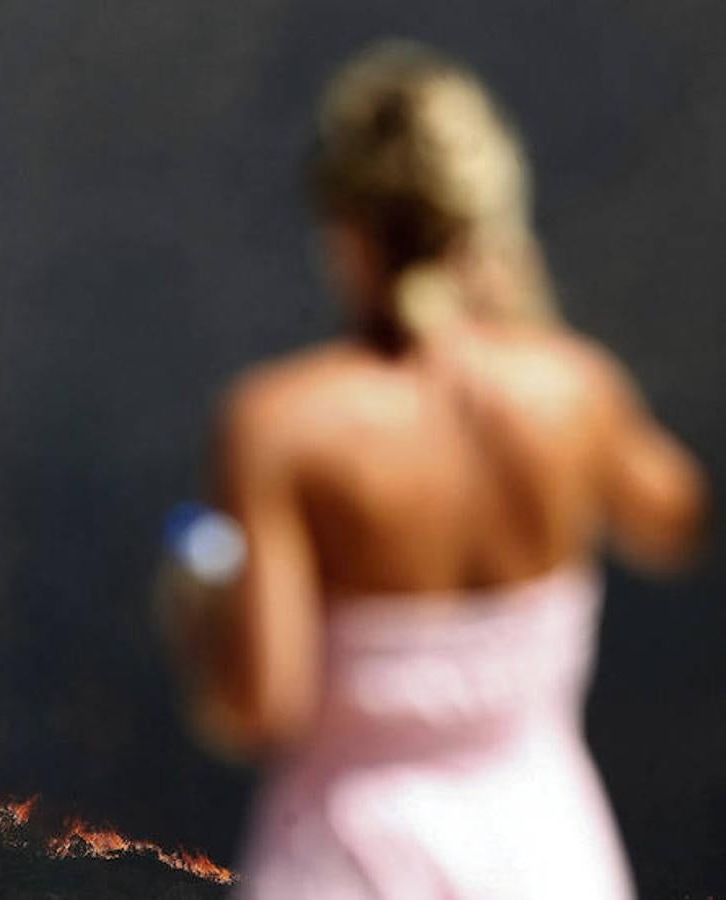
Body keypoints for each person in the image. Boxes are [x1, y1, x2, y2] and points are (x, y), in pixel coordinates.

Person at [169, 40, 710, 899]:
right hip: (543, 855)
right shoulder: (572, 391)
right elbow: (675, 522)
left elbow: (257, 704)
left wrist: (198, 593)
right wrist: (527, 319)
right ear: (486, 215)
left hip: (346, 864)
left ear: (344, 230)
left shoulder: (279, 425)